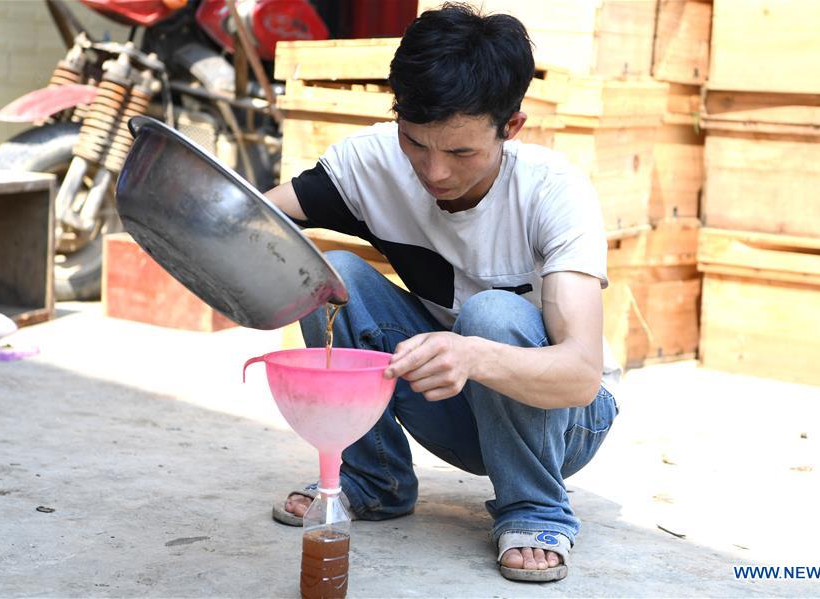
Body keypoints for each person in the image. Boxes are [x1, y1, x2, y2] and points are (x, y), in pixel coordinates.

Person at [264, 1, 620, 583]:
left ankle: (534, 508)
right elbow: (253, 219)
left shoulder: (554, 192)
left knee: (494, 314)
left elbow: (581, 375)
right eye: (415, 143)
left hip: (563, 419)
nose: (434, 173)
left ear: (512, 128)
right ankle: (371, 479)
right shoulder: (370, 162)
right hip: (452, 402)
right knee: (332, 276)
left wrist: (474, 353)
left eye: (460, 152)